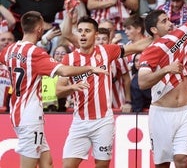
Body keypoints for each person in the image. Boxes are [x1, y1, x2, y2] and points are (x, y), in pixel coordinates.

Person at [0, 11, 108, 168]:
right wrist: (90, 68)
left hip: (16, 112)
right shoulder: (35, 53)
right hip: (29, 117)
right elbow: (64, 71)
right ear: (39, 28)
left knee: (47, 163)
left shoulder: (10, 50)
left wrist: (43, 40)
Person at [56, 13, 151, 168]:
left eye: (87, 31)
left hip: (103, 122)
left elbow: (137, 46)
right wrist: (72, 87)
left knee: (102, 166)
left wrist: (162, 36)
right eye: (80, 31)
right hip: (79, 122)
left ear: (96, 34)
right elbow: (58, 91)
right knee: (67, 166)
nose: (83, 34)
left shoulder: (106, 51)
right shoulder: (69, 59)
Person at [138, 9, 187, 168]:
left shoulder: (183, 44)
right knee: (162, 164)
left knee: (183, 160)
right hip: (161, 114)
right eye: (164, 21)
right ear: (154, 30)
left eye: (169, 20)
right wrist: (166, 69)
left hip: (186, 111)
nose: (170, 23)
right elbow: (143, 82)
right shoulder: (150, 51)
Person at [98, 19, 132, 112]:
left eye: (104, 39)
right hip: (97, 103)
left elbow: (127, 78)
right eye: (98, 39)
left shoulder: (118, 54)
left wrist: (128, 101)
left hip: (117, 102)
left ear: (109, 40)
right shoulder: (89, 57)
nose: (101, 42)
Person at [42, 44, 73, 112]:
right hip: (43, 108)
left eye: (63, 53)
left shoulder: (71, 71)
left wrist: (68, 102)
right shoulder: (46, 71)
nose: (59, 55)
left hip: (62, 107)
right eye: (57, 53)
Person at [0, 31, 14, 112]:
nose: (6, 42)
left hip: (9, 110)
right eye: (3, 40)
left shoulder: (19, 62)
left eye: (9, 39)